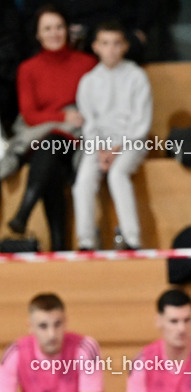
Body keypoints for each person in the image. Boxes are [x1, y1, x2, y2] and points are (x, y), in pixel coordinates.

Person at [6, 5, 96, 251]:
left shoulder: (87, 64)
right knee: (50, 159)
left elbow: (94, 107)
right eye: (47, 28)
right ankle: (59, 247)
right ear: (37, 34)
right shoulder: (28, 69)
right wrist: (62, 117)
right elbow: (30, 115)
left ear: (67, 30)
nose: (54, 33)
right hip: (44, 139)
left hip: (77, 140)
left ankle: (24, 212)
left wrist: (70, 120)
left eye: (58, 27)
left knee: (50, 150)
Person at [72, 21, 152, 250]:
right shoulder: (88, 81)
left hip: (131, 142)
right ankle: (86, 241)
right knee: (83, 182)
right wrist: (101, 149)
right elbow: (89, 123)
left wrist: (117, 148)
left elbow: (141, 122)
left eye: (117, 43)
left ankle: (132, 239)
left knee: (118, 175)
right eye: (105, 44)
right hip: (98, 145)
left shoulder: (137, 77)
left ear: (125, 46)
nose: (111, 49)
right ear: (96, 47)